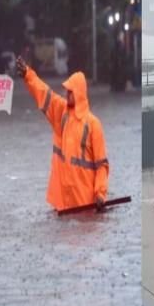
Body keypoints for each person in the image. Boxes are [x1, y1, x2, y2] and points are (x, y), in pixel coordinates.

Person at [16, 56, 109, 213]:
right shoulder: (62, 113)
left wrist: (100, 194)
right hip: (63, 204)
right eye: (67, 90)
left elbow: (102, 165)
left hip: (84, 204)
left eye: (70, 91)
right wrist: (28, 75)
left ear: (78, 93)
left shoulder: (94, 124)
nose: (66, 93)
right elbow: (45, 94)